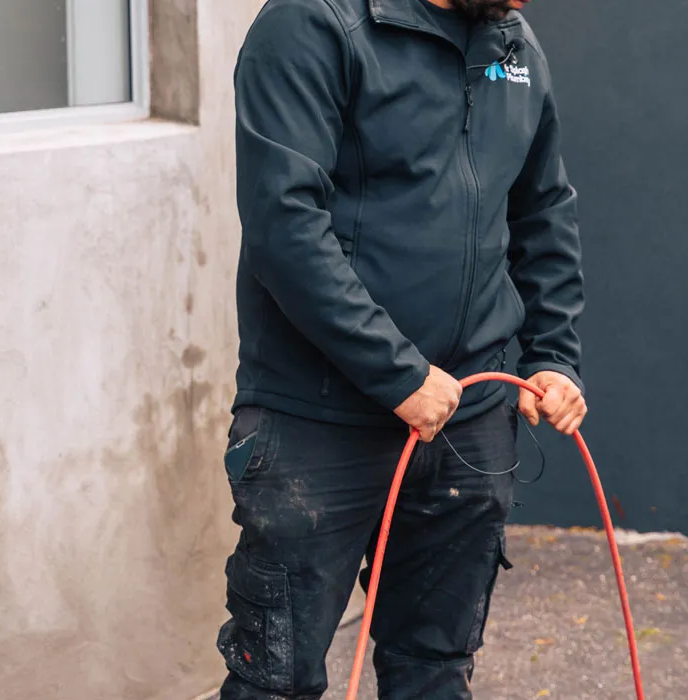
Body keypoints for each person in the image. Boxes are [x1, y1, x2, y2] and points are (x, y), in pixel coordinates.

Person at [219, 0, 585, 697]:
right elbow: (284, 224)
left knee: (434, 671)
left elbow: (543, 210)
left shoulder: (513, 43)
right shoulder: (313, 25)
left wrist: (552, 357)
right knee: (276, 679)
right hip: (316, 425)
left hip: (469, 423)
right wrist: (399, 374)